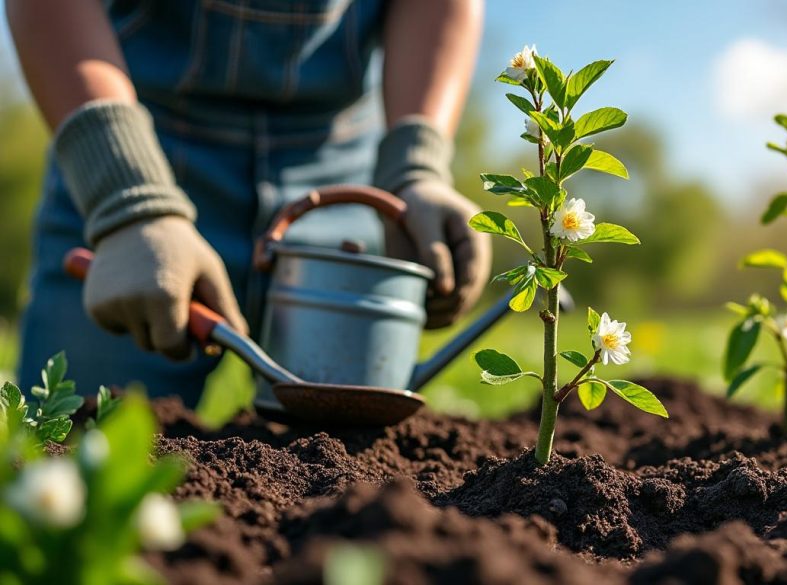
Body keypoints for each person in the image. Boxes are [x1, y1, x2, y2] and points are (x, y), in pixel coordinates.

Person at [7, 0, 491, 405]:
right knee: (75, 463)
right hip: (130, 142)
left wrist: (415, 166)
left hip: (339, 164)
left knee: (350, 481)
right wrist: (127, 199)